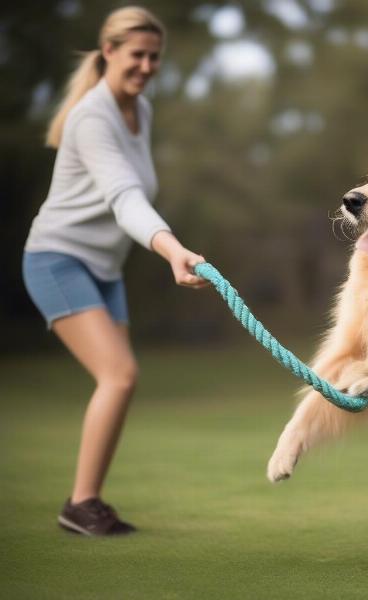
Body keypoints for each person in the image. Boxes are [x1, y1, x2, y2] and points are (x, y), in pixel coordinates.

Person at [22, 6, 207, 536]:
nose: (146, 66)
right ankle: (81, 504)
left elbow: (130, 193)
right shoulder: (92, 117)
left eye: (154, 57)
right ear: (108, 52)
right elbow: (125, 198)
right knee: (119, 374)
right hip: (57, 259)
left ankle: (84, 502)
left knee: (121, 379)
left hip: (104, 267)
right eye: (136, 55)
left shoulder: (139, 111)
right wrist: (172, 249)